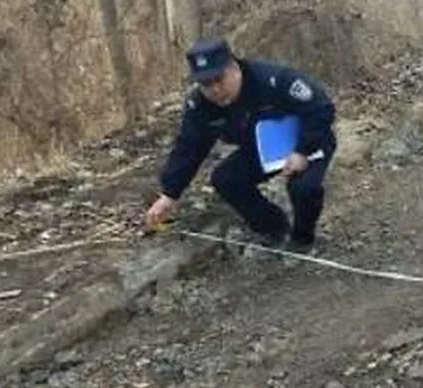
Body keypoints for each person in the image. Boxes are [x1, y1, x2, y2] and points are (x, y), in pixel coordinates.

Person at [144, 37, 337, 253]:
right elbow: (190, 146)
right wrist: (170, 193)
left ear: (234, 67)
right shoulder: (200, 106)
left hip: (308, 140)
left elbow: (320, 108)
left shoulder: (273, 79)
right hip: (262, 150)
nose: (215, 90)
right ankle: (274, 229)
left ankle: (303, 240)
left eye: (220, 79)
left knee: (303, 187)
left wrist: (302, 150)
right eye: (206, 84)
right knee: (226, 179)